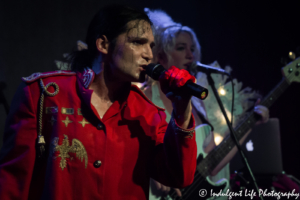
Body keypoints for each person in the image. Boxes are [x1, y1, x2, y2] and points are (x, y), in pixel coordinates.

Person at [0, 5, 200, 200]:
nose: (149, 54)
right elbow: (13, 182)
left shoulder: (148, 113)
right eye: (138, 42)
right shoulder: (43, 93)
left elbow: (178, 176)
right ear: (103, 45)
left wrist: (182, 110)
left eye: (151, 45)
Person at [144, 8, 270, 199]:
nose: (190, 55)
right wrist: (151, 170)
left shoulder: (197, 103)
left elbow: (211, 164)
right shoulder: (144, 98)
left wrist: (251, 123)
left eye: (192, 49)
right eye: (181, 48)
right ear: (161, 56)